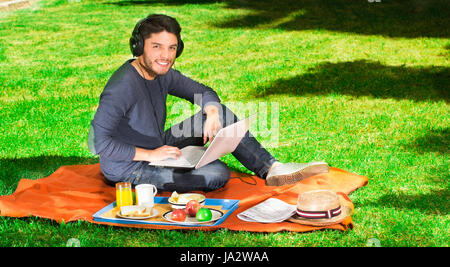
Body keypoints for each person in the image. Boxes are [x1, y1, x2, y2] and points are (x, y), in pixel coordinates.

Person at [88, 14, 329, 192]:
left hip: (157, 146)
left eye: (172, 48)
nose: (166, 56)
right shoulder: (121, 88)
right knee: (216, 173)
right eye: (157, 47)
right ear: (139, 47)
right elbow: (99, 143)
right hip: (128, 167)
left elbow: (202, 91)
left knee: (221, 113)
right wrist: (151, 153)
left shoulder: (163, 73)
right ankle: (194, 162)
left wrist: (212, 112)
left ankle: (272, 168)